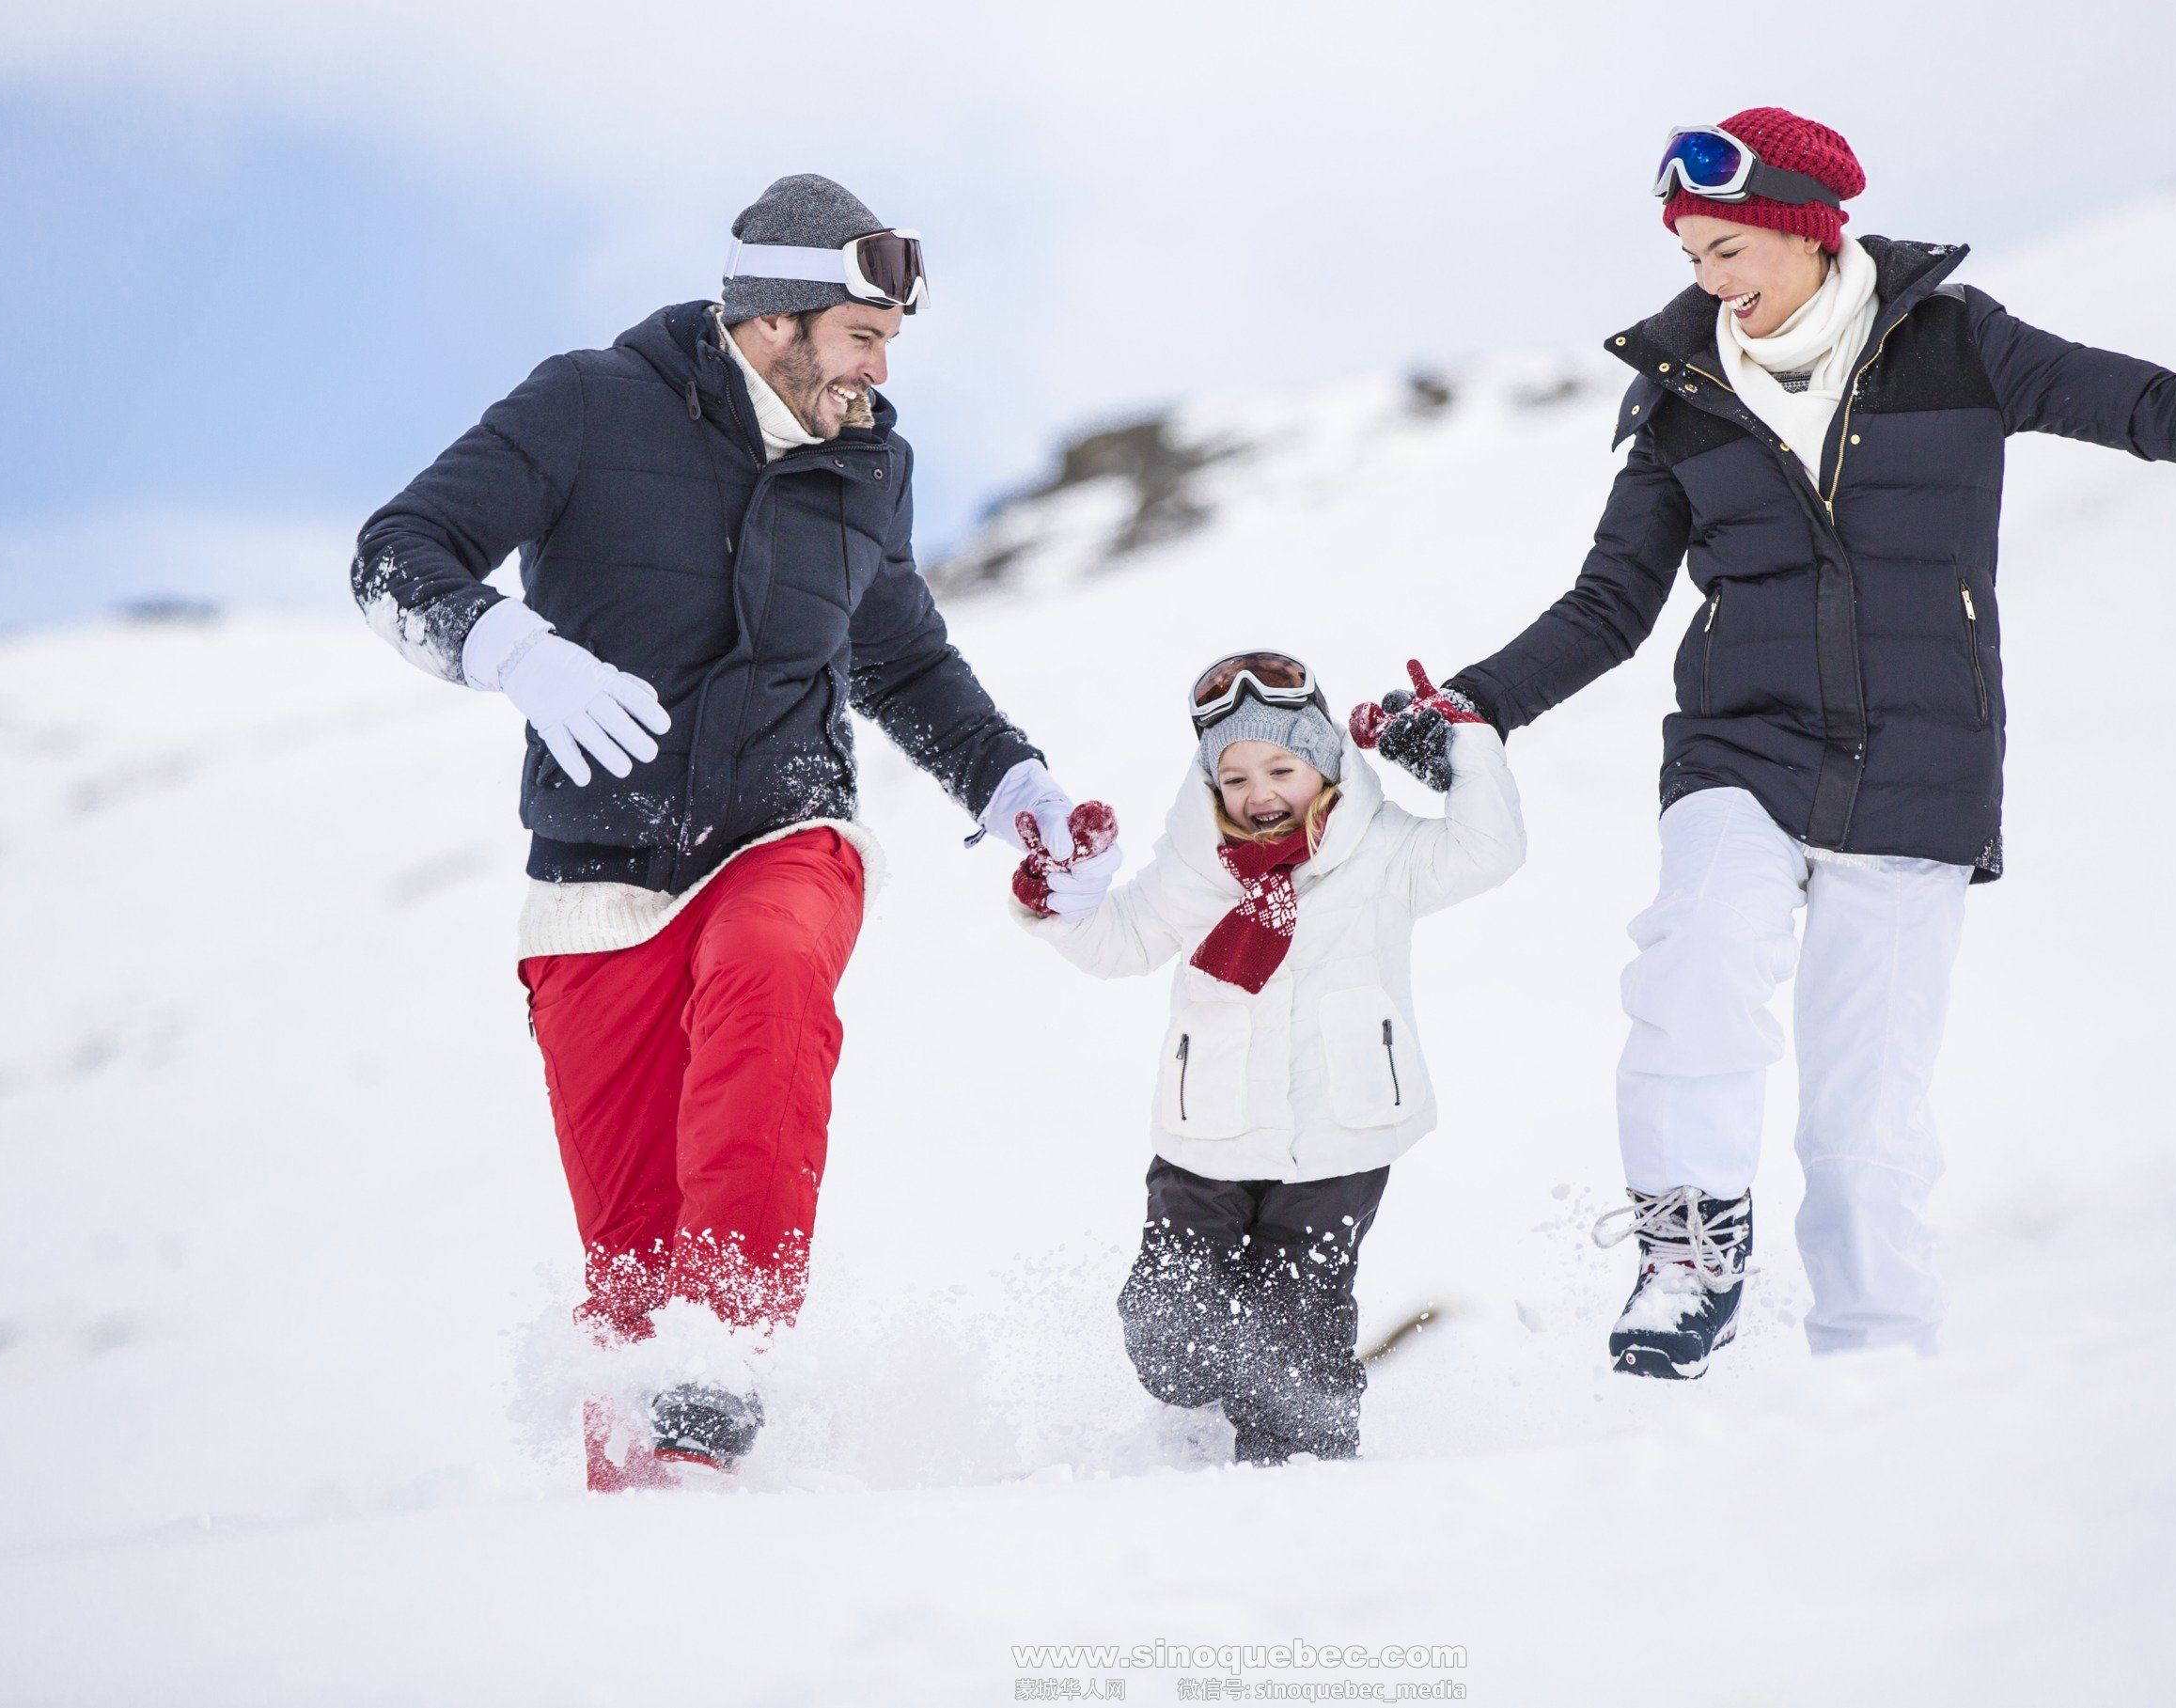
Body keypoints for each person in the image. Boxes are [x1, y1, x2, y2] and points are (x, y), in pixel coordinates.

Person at [1374, 107, 2176, 1377]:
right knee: (1694, 963)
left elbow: (2159, 409)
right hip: (1742, 745)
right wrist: (1468, 705)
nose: (1709, 281)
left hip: (1918, 764)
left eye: (1729, 249)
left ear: (1804, 228)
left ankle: (1877, 1364)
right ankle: (1687, 1251)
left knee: (1867, 1113)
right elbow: (1609, 604)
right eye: (1690, 259)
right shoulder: (1679, 397)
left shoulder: (1958, 344)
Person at [351, 175, 1108, 1487]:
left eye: (889, 344)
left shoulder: (870, 461)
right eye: (861, 335)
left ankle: (731, 1359)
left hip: (783, 831)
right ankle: (658, 1532)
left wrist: (1014, 788)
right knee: (631, 1269)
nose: (878, 371)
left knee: (767, 974)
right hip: (594, 888)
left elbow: (899, 656)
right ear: (772, 319)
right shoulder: (584, 406)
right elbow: (395, 550)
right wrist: (509, 647)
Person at [1013, 653, 1523, 1462]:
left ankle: (1297, 1470)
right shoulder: (1192, 870)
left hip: (1339, 1138)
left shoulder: (1383, 853)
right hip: (1206, 1138)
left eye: (1281, 767)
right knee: (1170, 1329)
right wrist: (1064, 900)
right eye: (1236, 775)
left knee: (1299, 1321)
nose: (1259, 793)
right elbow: (1121, 942)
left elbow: (1488, 851)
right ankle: (1200, 1408)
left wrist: (1469, 746)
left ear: (1322, 764)